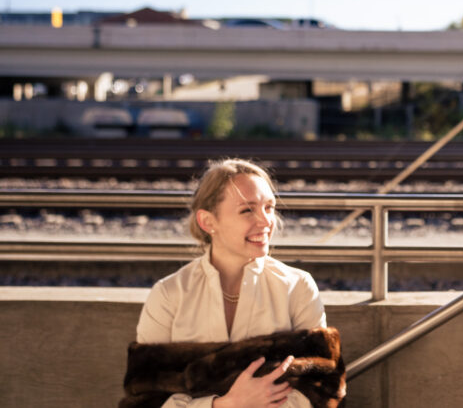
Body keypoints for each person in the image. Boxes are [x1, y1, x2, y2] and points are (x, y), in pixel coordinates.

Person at [129, 158, 343, 408]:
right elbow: (144, 399)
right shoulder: (168, 295)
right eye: (247, 210)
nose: (265, 222)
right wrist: (225, 404)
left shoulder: (298, 286)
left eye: (269, 207)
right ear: (208, 222)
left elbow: (322, 389)